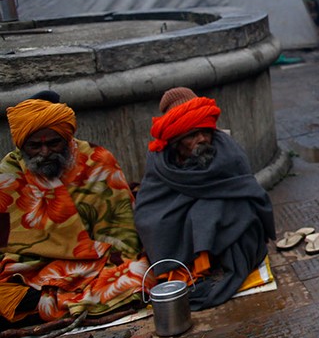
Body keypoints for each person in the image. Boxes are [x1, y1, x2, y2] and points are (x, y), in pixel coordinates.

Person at [0, 92, 147, 325]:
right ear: (22, 145)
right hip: (33, 275)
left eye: (53, 143)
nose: (45, 152)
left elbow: (124, 238)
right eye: (35, 146)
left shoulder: (97, 161)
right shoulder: (9, 173)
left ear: (67, 138)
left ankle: (50, 308)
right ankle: (53, 305)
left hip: (97, 267)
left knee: (140, 273)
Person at [133, 87, 276, 310]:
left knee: (218, 211)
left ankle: (221, 262)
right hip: (183, 228)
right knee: (158, 221)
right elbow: (149, 208)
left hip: (225, 224)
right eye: (192, 135)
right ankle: (192, 265)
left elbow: (247, 191)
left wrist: (207, 212)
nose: (202, 139)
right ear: (176, 141)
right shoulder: (161, 162)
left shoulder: (228, 152)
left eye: (205, 131)